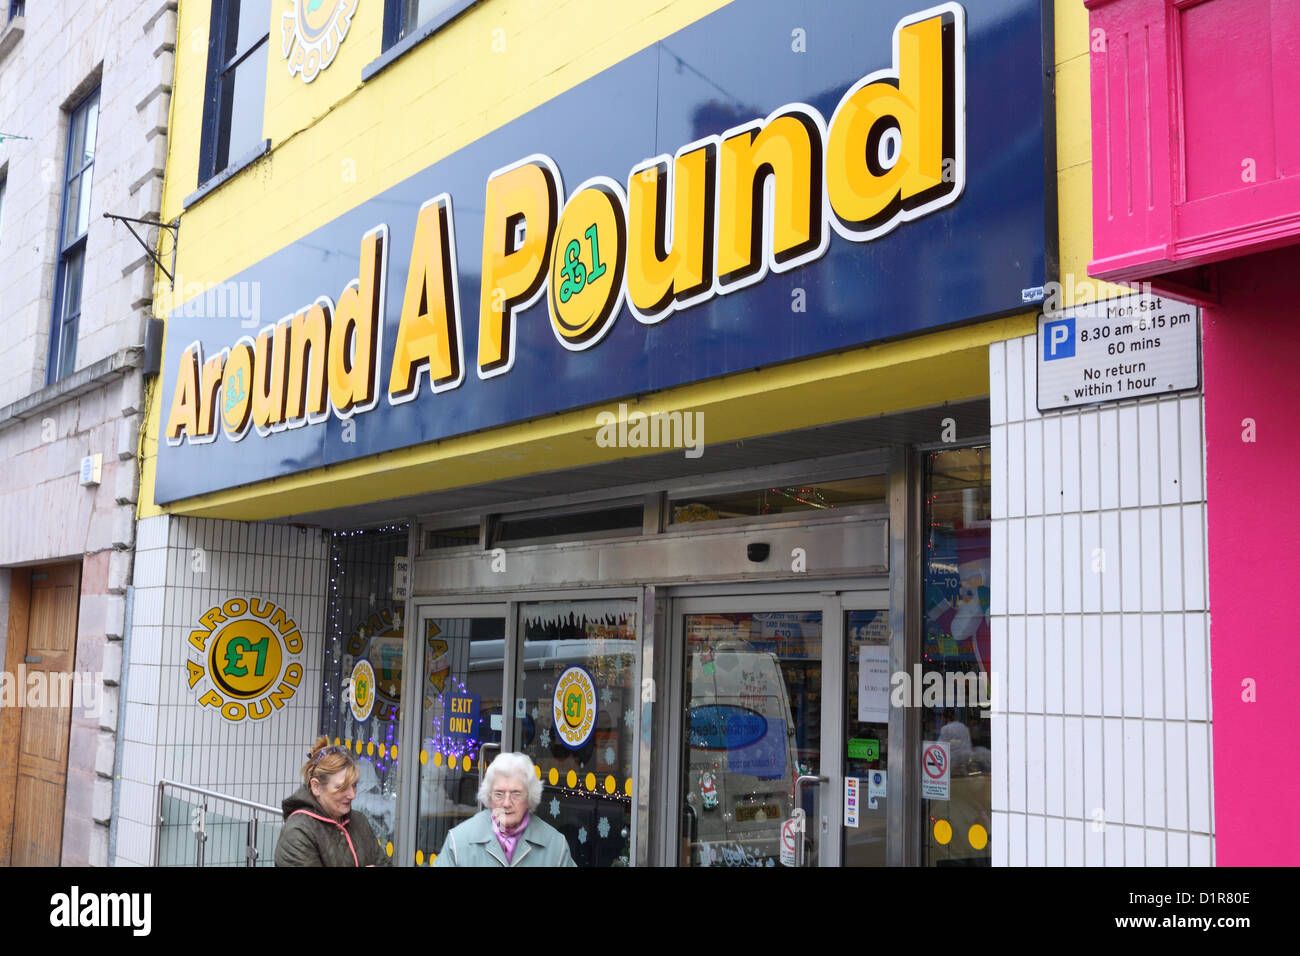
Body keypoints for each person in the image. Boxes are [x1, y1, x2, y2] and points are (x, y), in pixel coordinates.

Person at [433, 752, 575, 867]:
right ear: (489, 797)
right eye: (499, 794)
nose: (506, 803)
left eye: (516, 794)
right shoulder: (459, 842)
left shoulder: (555, 845)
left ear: (529, 797)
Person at [275, 736, 390, 867]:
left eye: (354, 785)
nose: (352, 795)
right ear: (316, 787)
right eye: (341, 788)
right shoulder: (297, 832)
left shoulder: (359, 821)